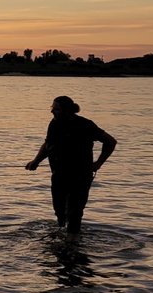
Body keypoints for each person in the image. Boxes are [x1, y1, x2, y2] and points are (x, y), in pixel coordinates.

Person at [25, 95, 117, 241]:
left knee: (75, 212)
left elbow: (110, 142)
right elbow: (48, 145)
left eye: (56, 109)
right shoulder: (54, 124)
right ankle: (63, 238)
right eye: (52, 108)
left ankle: (73, 242)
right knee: (60, 211)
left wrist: (98, 163)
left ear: (68, 111)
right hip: (59, 174)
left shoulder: (85, 125)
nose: (52, 111)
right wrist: (36, 161)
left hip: (81, 176)